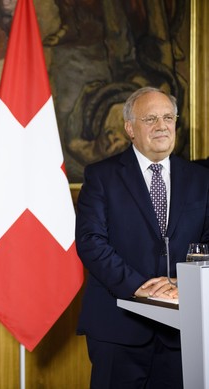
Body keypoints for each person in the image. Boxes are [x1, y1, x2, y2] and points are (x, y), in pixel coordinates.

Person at [75, 86, 209, 388]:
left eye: (168, 117)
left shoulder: (201, 179)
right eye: (150, 118)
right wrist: (141, 287)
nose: (161, 126)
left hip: (183, 330)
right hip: (118, 330)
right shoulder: (101, 176)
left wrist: (181, 283)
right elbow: (91, 242)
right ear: (129, 128)